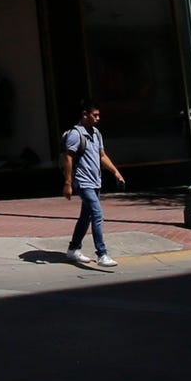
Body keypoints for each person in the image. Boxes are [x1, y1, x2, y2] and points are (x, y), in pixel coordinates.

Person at [61, 104, 124, 270]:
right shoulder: (76, 134)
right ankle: (102, 254)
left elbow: (102, 156)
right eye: (95, 115)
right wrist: (68, 183)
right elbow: (68, 159)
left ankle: (73, 249)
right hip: (83, 182)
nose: (98, 118)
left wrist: (115, 172)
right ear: (85, 114)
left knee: (86, 217)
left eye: (98, 115)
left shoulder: (96, 133)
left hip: (96, 181)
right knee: (97, 214)